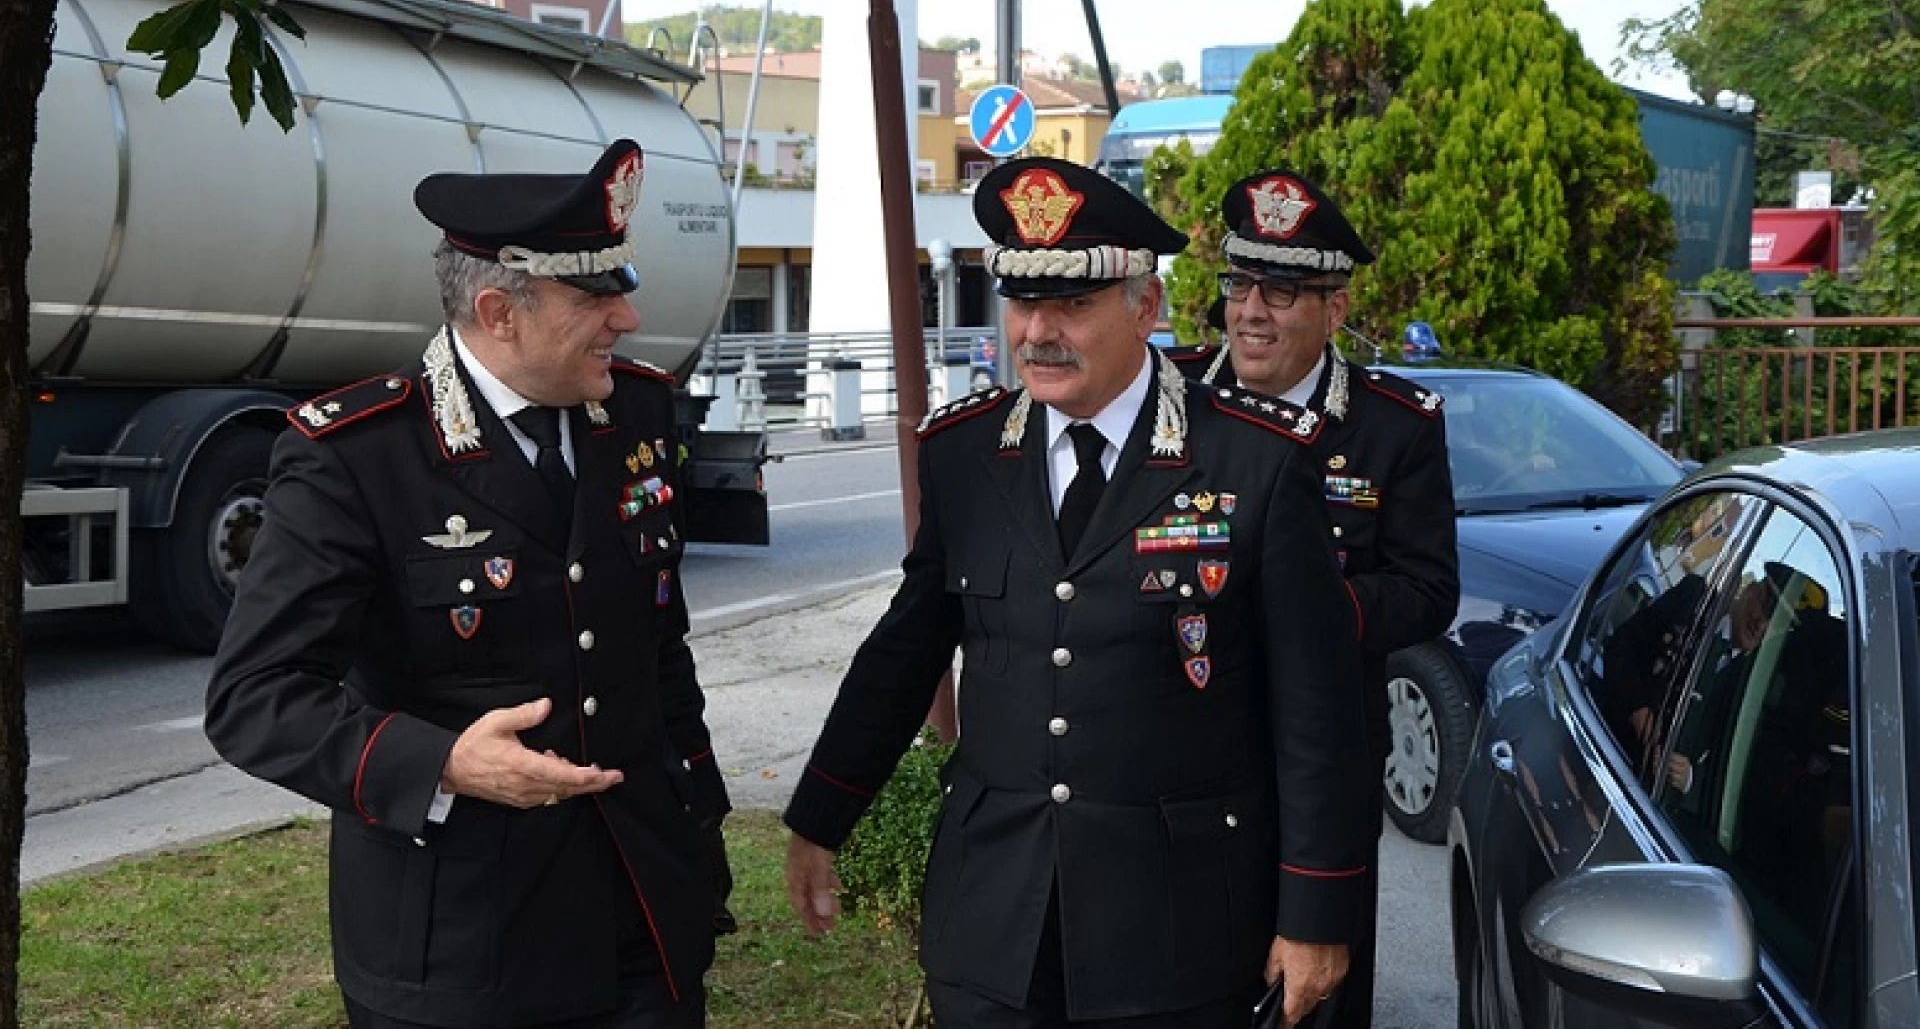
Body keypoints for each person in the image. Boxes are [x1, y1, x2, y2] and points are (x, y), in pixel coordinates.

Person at [782, 156, 1374, 1028]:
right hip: (994, 922)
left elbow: (1317, 708)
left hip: (1178, 927)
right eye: (1023, 303)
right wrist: (820, 816)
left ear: (1147, 305)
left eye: (1073, 304)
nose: (1038, 333)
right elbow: (908, 648)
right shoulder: (964, 451)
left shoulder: (1258, 459)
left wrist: (1316, 911)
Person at [205, 139, 728, 1029]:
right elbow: (255, 700)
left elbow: (655, 648)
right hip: (461, 948)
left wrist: (700, 827)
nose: (628, 319)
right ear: (500, 312)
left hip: (643, 912)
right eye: (595, 297)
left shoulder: (635, 410)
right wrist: (442, 762)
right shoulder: (358, 454)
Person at [1184, 169, 1460, 1029]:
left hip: (1324, 768)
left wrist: (1308, 611)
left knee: (1317, 1001)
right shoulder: (1168, 402)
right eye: (1239, 284)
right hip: (1179, 758)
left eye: (1283, 291)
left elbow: (1427, 590)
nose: (1251, 311)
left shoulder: (1394, 425)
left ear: (1336, 310)